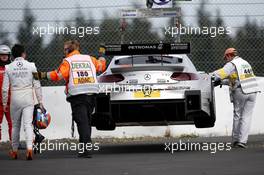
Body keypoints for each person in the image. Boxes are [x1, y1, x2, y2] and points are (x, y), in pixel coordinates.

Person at [33, 40, 106, 158]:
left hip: (78, 95)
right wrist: (102, 55)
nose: (64, 51)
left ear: (68, 50)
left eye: (64, 49)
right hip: (92, 94)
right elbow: (101, 66)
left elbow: (58, 75)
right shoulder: (90, 59)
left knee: (82, 122)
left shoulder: (68, 61)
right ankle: (84, 149)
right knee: (86, 121)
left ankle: (86, 149)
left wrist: (42, 75)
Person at [211, 48, 260, 148]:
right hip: (253, 91)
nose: (226, 60)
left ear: (229, 55)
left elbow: (222, 73)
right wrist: (221, 82)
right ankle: (242, 141)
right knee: (247, 116)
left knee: (237, 114)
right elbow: (235, 78)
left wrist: (208, 76)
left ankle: (235, 140)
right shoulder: (245, 63)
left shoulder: (232, 64)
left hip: (241, 91)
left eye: (226, 58)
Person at [2, 44, 43, 160]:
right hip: (28, 98)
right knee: (28, 125)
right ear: (23, 54)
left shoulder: (8, 67)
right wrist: (40, 101)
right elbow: (37, 84)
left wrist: (5, 103)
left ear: (12, 56)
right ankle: (29, 148)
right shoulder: (31, 65)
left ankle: (14, 151)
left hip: (15, 98)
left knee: (15, 125)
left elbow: (5, 89)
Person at [0, 45, 12, 142]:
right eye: (2, 55)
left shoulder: (12, 67)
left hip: (11, 101)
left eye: (6, 55)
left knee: (12, 123)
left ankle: (14, 143)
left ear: (9, 56)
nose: (4, 56)